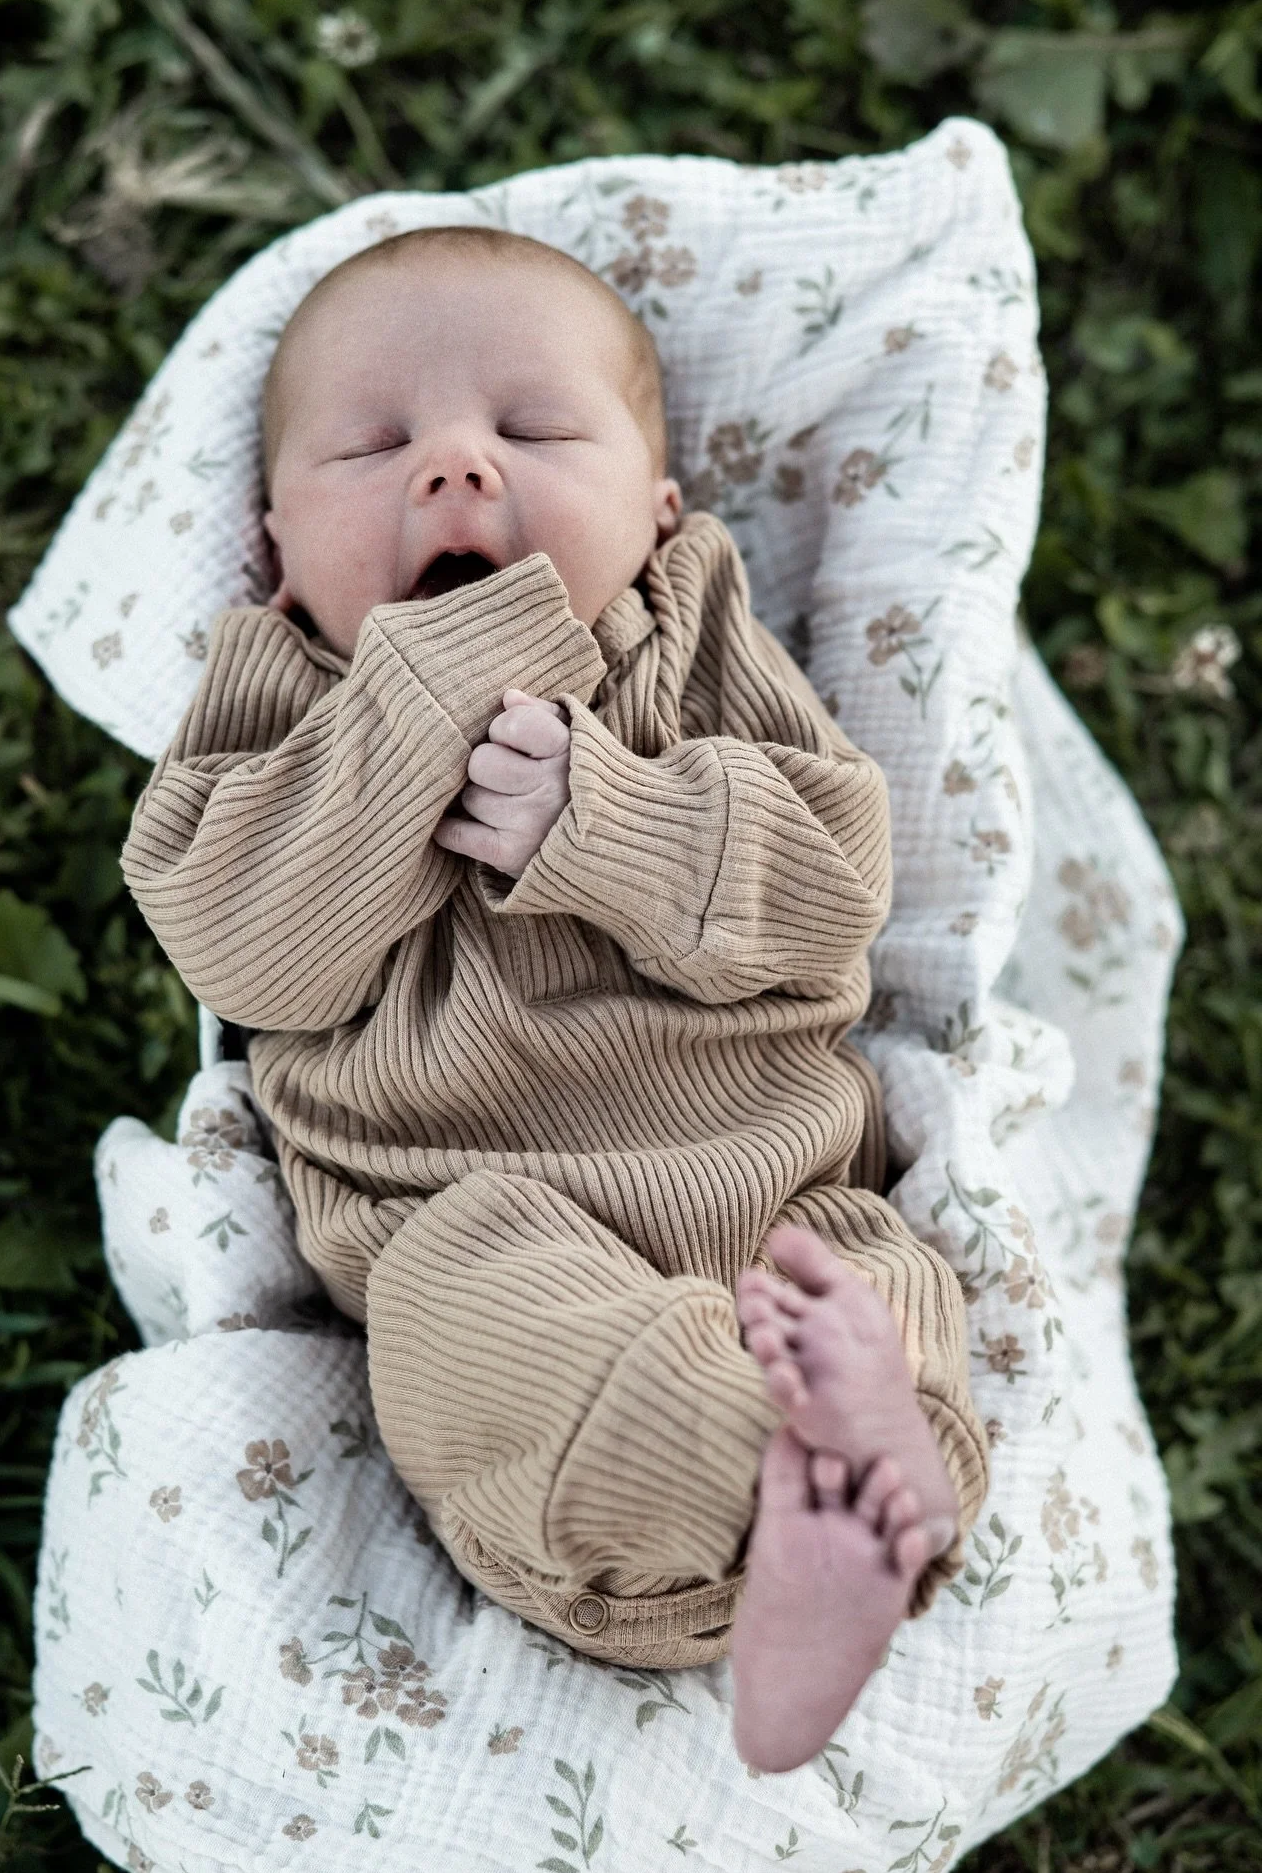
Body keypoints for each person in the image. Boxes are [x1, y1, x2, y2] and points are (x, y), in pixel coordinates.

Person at [120, 225, 989, 1773]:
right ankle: (781, 1501)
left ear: (662, 519)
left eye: (531, 431)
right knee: (476, 1310)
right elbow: (242, 949)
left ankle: (867, 1461)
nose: (455, 467)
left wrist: (623, 824)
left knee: (867, 1275)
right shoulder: (284, 697)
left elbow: (833, 890)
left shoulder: (691, 631)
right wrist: (428, 687)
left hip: (774, 1194)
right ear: (270, 549)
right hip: (482, 1221)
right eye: (374, 446)